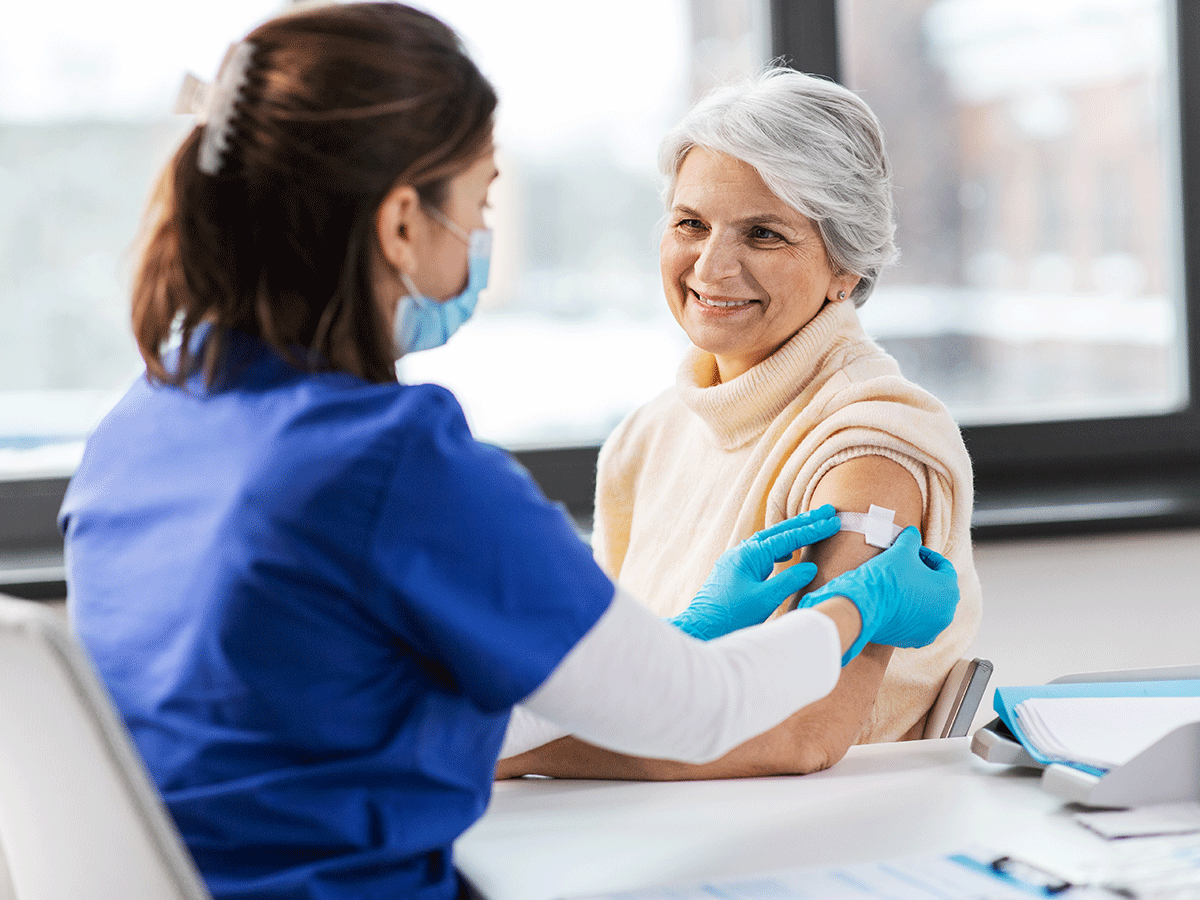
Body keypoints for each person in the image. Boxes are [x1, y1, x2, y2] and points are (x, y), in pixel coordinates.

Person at [56, 7, 960, 900]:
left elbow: (787, 725)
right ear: (404, 223)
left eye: (764, 232)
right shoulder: (394, 464)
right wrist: (852, 607)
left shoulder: (146, 420)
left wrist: (649, 668)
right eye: (481, 199)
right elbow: (698, 707)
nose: (712, 267)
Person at [498, 68, 981, 782]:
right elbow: (604, 679)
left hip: (810, 843)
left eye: (763, 234)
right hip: (640, 817)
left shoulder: (871, 442)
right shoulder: (648, 435)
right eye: (690, 223)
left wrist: (507, 750)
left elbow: (802, 733)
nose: (712, 266)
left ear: (844, 265)